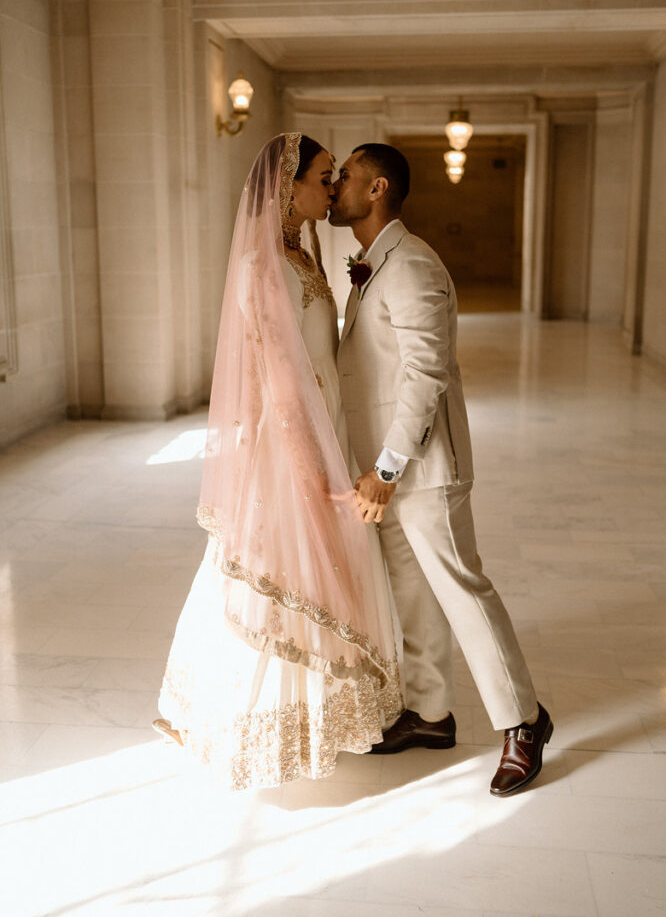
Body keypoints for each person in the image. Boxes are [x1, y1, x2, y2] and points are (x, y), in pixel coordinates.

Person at [153, 134, 402, 790]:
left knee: (319, 574)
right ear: (285, 185)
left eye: (333, 176)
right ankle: (256, 725)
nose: (331, 186)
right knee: (279, 569)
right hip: (289, 440)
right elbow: (281, 381)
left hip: (326, 427)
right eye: (323, 175)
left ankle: (321, 713)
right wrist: (309, 465)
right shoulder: (260, 267)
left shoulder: (303, 252)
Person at [330, 143, 553, 796]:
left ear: (376, 189)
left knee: (462, 590)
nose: (335, 185)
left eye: (345, 176)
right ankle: (429, 714)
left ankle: (523, 722)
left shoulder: (412, 265)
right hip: (384, 470)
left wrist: (389, 468)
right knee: (411, 591)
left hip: (420, 468)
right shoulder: (377, 263)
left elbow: (424, 377)